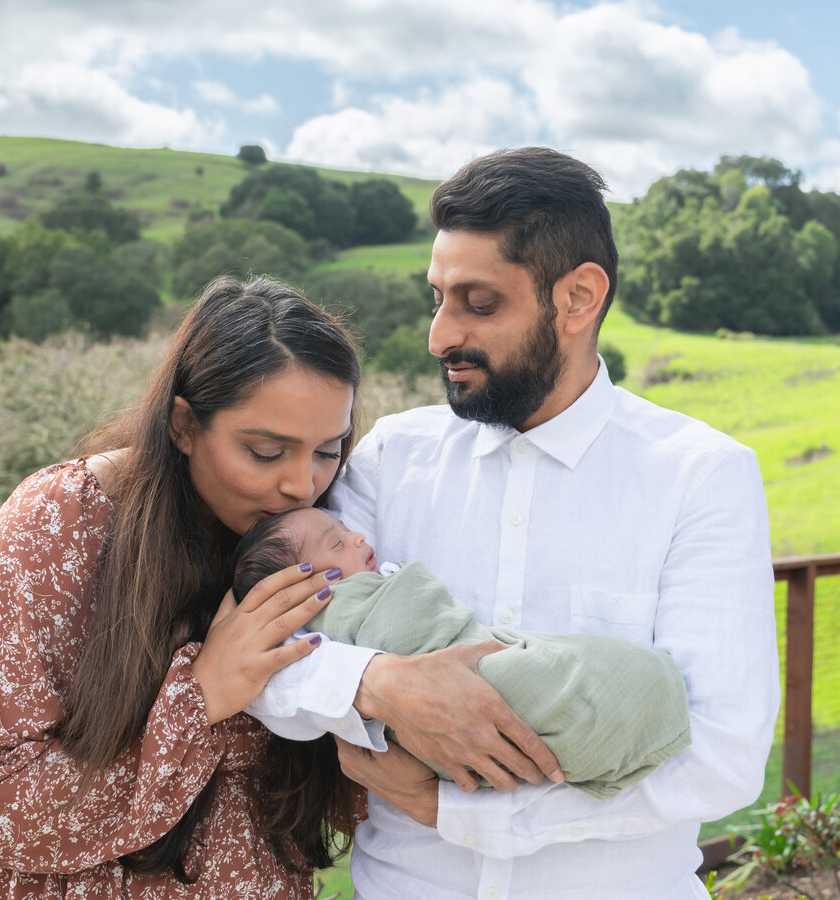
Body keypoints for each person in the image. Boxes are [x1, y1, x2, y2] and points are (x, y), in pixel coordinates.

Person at [317, 148, 781, 899]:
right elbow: (279, 657)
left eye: (479, 302)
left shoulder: (701, 475)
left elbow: (722, 755)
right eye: (436, 297)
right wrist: (379, 683)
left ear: (578, 297)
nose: (439, 337)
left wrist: (466, 814)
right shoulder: (390, 459)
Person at [0, 276, 389, 898]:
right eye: (266, 451)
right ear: (183, 423)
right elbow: (1, 807)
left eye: (328, 449)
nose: (302, 484)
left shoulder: (318, 535)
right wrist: (204, 693)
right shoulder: (61, 521)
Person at [232, 506, 692, 799]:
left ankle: (627, 703)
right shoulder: (325, 616)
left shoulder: (701, 470)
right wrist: (378, 677)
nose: (357, 538)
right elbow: (260, 675)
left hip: (482, 663)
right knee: (541, 683)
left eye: (349, 531)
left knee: (554, 665)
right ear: (296, 588)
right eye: (337, 542)